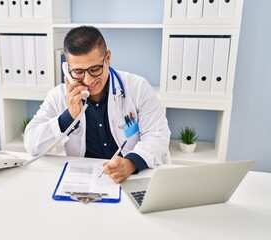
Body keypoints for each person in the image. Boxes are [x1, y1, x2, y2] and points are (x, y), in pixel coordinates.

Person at [24, 26, 170, 183]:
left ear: (107, 58)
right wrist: (69, 116)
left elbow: (157, 136)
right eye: (79, 72)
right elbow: (32, 143)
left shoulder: (137, 87)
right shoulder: (58, 97)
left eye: (95, 69)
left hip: (131, 177)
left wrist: (131, 163)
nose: (88, 80)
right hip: (83, 180)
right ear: (67, 68)